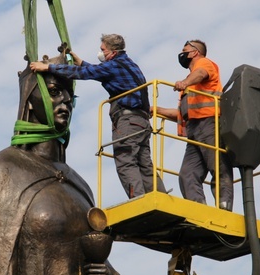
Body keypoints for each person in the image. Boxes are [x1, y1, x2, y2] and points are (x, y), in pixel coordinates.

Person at [0, 52, 122, 275]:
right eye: (55, 92)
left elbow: (96, 269)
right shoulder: (6, 168)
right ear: (31, 99)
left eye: (70, 96)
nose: (66, 102)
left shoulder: (80, 185)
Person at [30, 33, 166, 199]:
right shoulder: (129, 64)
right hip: (141, 122)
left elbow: (86, 74)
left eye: (103, 49)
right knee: (145, 163)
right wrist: (81, 62)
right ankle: (160, 197)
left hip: (127, 121)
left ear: (113, 51)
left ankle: (138, 200)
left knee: (126, 160)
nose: (100, 52)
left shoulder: (114, 65)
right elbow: (97, 71)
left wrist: (48, 68)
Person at [156, 40, 233, 210]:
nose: (182, 53)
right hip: (194, 130)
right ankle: (198, 208)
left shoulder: (204, 64)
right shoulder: (190, 87)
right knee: (187, 173)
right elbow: (183, 115)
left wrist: (185, 82)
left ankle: (224, 207)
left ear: (195, 52)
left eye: (185, 50)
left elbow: (200, 73)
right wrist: (156, 110)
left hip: (210, 124)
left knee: (218, 167)